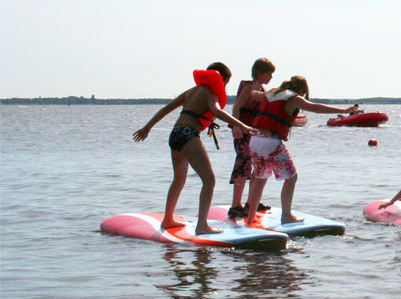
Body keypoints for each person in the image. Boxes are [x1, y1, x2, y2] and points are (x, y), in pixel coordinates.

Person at [132, 63, 259, 235]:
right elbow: (217, 111)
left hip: (175, 134)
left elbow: (166, 108)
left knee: (178, 180)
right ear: (220, 79)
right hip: (189, 135)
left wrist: (147, 128)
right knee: (209, 180)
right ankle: (202, 226)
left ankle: (168, 219)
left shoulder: (192, 91)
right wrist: (244, 126)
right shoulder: (210, 92)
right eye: (226, 83)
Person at [243, 76, 358, 225]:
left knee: (259, 178)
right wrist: (343, 109)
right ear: (302, 90)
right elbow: (316, 107)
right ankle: (286, 215)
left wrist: (253, 88)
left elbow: (254, 95)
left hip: (255, 141)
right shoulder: (294, 97)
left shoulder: (271, 93)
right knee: (291, 177)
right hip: (271, 142)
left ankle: (250, 218)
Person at [227, 58, 275, 219]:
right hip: (242, 133)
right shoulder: (248, 87)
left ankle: (251, 202)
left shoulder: (260, 89)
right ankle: (235, 205)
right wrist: (236, 127)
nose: (271, 77)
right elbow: (236, 107)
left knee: (257, 166)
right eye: (269, 73)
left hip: (254, 134)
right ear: (259, 73)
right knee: (243, 165)